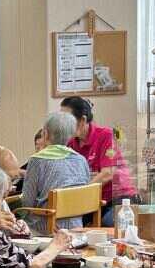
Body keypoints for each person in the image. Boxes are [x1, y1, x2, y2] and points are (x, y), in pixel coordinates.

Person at [60, 96, 139, 226]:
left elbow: (107, 173)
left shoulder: (105, 135)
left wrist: (80, 191)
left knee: (108, 223)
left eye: (67, 120)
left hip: (119, 198)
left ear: (82, 120)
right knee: (67, 223)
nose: (63, 124)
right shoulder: (71, 143)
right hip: (92, 200)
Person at [21, 112, 90, 235]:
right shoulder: (81, 160)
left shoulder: (37, 160)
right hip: (76, 228)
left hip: (46, 228)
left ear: (45, 134)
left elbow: (27, 203)